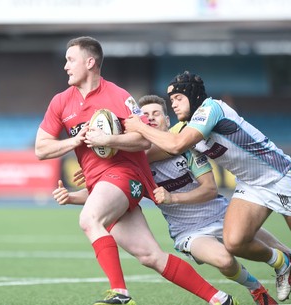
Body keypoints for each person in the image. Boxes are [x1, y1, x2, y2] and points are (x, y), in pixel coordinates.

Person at [35, 38, 239, 305]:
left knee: (89, 219)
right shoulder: (61, 102)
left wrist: (108, 140)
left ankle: (120, 294)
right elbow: (41, 149)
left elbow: (144, 140)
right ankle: (220, 299)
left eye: (70, 60)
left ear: (90, 62)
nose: (65, 66)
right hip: (100, 185)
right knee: (150, 256)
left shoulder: (119, 96)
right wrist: (75, 141)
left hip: (125, 175)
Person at [56, 95, 291, 305]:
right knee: (224, 260)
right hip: (187, 231)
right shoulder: (132, 162)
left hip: (222, 214)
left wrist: (171, 197)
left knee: (287, 253)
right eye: (145, 115)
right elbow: (111, 192)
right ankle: (257, 291)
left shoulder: (185, 146)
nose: (151, 118)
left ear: (167, 119)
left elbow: (209, 190)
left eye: (157, 113)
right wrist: (72, 197)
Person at [124, 71, 291, 302]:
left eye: (177, 99)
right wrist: (105, 156)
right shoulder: (185, 127)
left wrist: (139, 126)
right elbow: (149, 154)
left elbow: (176, 145)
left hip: (280, 177)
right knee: (235, 242)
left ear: (192, 95)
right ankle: (280, 263)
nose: (174, 105)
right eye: (171, 101)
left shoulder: (210, 109)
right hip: (251, 186)